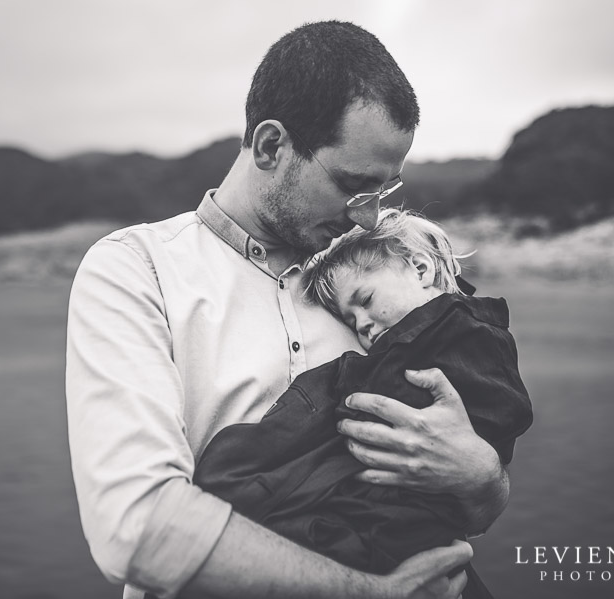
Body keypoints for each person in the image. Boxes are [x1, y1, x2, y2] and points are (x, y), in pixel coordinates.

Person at [65, 20, 510, 599]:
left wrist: (481, 476)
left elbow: (471, 507)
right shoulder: (135, 269)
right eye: (354, 187)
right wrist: (364, 593)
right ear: (272, 146)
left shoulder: (373, 276)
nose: (369, 217)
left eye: (385, 192)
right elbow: (136, 526)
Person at [194, 209, 532, 596]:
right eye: (351, 321)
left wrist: (484, 474)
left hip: (404, 517)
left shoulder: (454, 333)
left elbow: (500, 423)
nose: (364, 326)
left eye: (366, 301)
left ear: (420, 269)